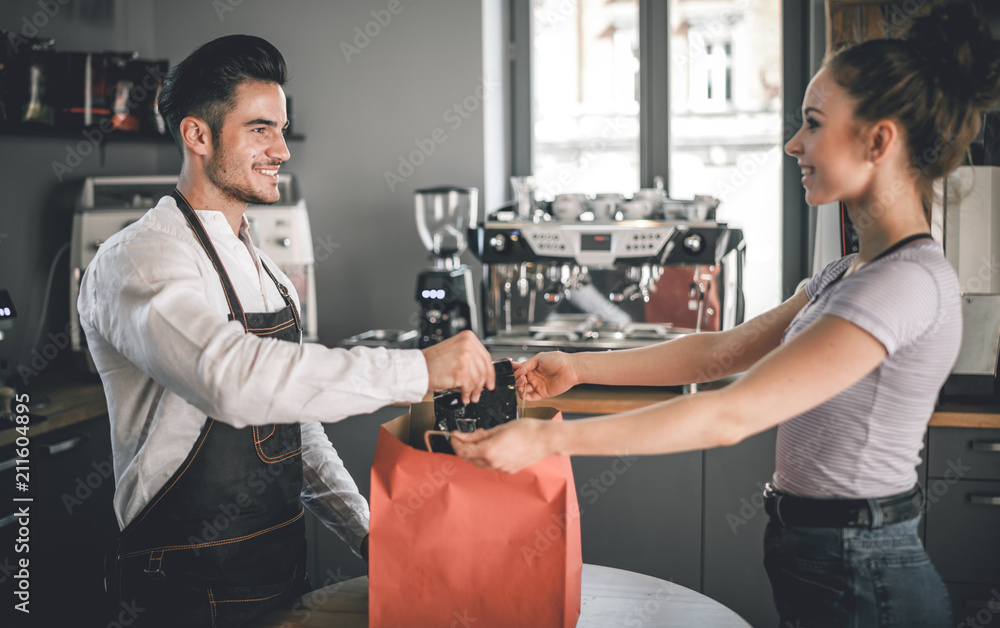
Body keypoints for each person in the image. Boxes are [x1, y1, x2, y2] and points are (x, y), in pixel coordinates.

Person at [453, 2, 1000, 626]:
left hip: (864, 569)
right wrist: (579, 368)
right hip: (826, 554)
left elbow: (730, 412)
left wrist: (550, 439)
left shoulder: (901, 284)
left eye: (813, 124)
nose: (794, 143)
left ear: (878, 139)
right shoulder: (849, 273)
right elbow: (720, 353)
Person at [78, 34, 495, 627]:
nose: (282, 149)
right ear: (197, 136)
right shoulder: (140, 259)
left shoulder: (268, 272)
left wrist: (367, 534)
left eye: (281, 128)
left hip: (278, 576)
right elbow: (231, 380)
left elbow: (292, 428)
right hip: (179, 594)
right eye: (259, 129)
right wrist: (419, 370)